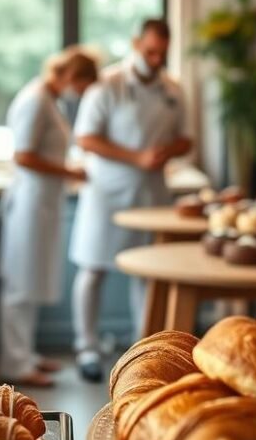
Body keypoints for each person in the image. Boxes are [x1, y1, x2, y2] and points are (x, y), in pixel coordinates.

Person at [69, 19, 193, 382]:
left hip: (152, 192)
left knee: (147, 272)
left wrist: (167, 151)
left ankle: (146, 348)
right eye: (150, 51)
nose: (156, 59)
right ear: (136, 43)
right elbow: (86, 139)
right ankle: (86, 346)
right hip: (106, 192)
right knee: (93, 269)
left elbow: (187, 139)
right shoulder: (107, 85)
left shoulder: (173, 89)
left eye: (162, 53)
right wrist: (135, 157)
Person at [0, 48, 99, 387]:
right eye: (83, 85)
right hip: (29, 203)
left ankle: (26, 354)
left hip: (43, 203)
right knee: (19, 284)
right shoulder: (35, 100)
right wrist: (69, 172)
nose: (83, 93)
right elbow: (23, 156)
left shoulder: (47, 99)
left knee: (32, 278)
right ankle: (15, 363)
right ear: (71, 76)